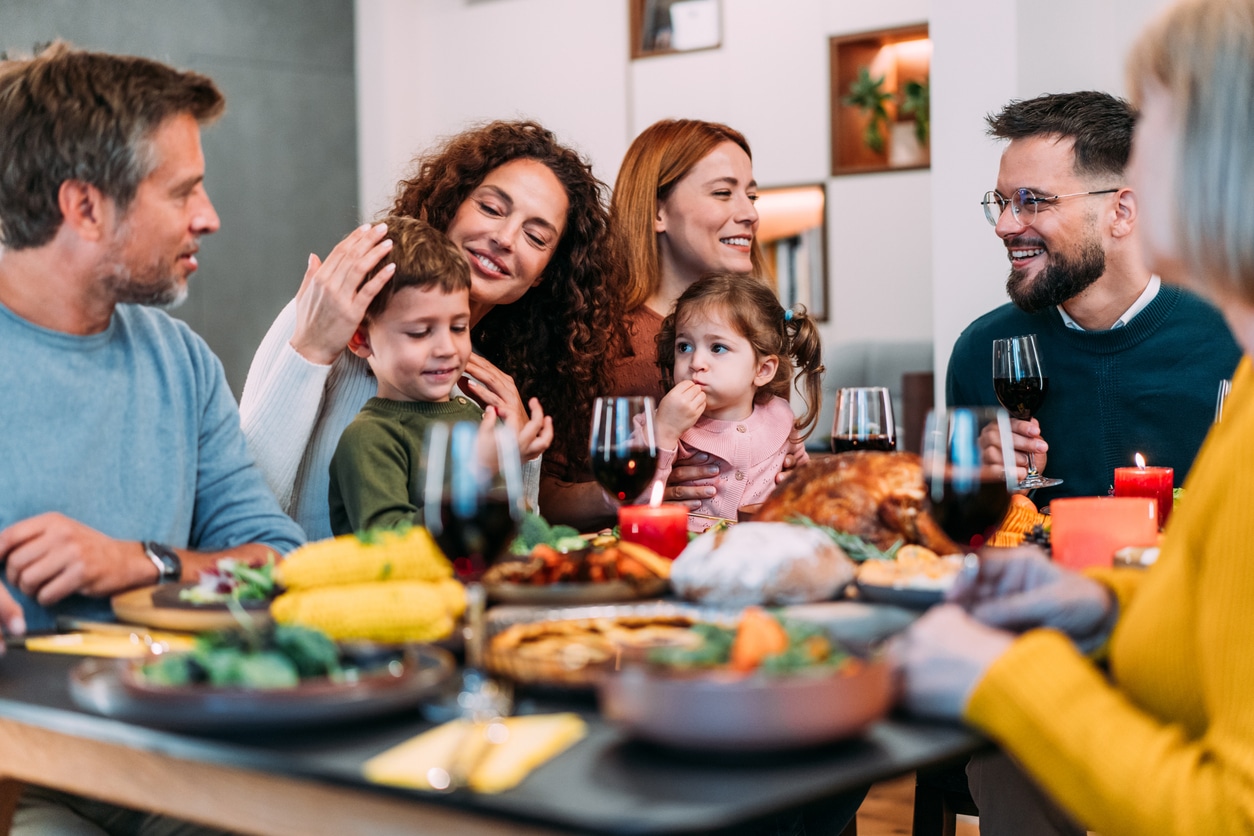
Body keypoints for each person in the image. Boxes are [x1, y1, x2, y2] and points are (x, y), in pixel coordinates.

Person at [894, 1, 1254, 833]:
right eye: (1000, 203)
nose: (1007, 225)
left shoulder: (1228, 360)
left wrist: (1002, 678)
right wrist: (1092, 598)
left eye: (1160, 124)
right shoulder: (987, 344)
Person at [0, 42, 305, 834]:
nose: (209, 217)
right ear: (85, 206)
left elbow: (280, 565)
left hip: (174, 747)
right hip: (20, 769)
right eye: (183, 191)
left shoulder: (181, 363)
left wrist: (144, 561)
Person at [240, 120, 621, 541]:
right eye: (492, 209)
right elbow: (240, 505)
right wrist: (311, 349)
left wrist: (517, 458)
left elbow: (504, 543)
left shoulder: (485, 383)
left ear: (543, 276)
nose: (505, 238)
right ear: (450, 205)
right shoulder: (329, 310)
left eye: (535, 236)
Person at [946, 90, 1240, 502]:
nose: (1005, 226)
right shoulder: (980, 353)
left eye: (1031, 201)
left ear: (1121, 212)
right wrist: (985, 488)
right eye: (1003, 202)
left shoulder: (1234, 338)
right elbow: (956, 543)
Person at [538, 119, 775, 529]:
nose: (750, 212)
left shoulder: (751, 330)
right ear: (657, 212)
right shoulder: (590, 337)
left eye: (751, 195)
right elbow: (540, 497)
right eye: (723, 193)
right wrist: (633, 485)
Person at [327, 216, 545, 534]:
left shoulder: (474, 417)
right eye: (419, 332)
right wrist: (478, 475)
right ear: (361, 339)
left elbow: (512, 525)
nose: (446, 348)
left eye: (458, 327)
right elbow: (390, 544)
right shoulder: (370, 439)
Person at [650, 274, 823, 529]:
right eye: (684, 346)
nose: (696, 363)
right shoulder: (662, 422)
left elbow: (805, 485)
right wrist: (663, 432)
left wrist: (802, 487)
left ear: (763, 370)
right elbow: (635, 501)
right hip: (687, 555)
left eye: (717, 348)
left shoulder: (781, 417)